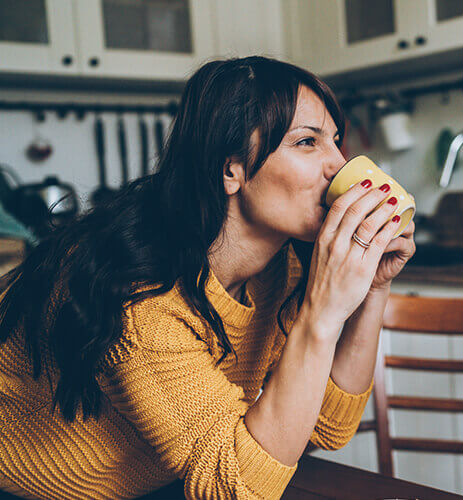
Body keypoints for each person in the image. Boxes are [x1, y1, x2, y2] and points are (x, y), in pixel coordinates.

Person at [0, 56, 415, 499]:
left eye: (336, 141)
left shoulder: (281, 269)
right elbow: (234, 489)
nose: (338, 164)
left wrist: (373, 286)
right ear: (230, 168)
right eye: (307, 142)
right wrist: (321, 314)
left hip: (161, 481)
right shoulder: (143, 299)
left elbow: (327, 426)